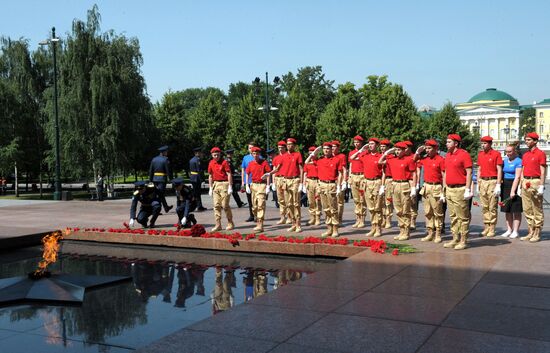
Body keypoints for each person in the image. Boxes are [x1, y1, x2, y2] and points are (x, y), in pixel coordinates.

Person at [379, 142, 417, 241]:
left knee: (405, 210)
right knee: (398, 210)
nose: (397, 151)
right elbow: (380, 162)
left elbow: (414, 174)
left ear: (404, 150)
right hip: (394, 184)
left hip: (404, 185)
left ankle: (406, 231)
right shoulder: (392, 160)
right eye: (395, 149)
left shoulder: (409, 160)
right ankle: (401, 230)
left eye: (399, 150)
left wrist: (413, 188)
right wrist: (387, 152)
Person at [306, 142, 344, 237]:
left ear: (331, 149)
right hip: (322, 185)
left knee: (333, 209)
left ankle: (335, 229)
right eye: (324, 149)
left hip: (331, 185)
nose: (326, 150)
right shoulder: (320, 160)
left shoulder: (336, 159)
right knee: (326, 208)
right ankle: (329, 229)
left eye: (328, 148)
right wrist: (314, 152)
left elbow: (340, 173)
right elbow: (306, 162)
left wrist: (339, 186)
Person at [443, 134, 473, 250]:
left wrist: (467, 189)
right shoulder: (448, 155)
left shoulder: (464, 155)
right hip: (450, 189)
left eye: (449, 142)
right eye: (447, 141)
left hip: (460, 189)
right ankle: (455, 238)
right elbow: (446, 173)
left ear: (456, 143)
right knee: (453, 216)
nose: (446, 144)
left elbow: (469, 173)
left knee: (462, 217)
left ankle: (463, 240)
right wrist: (444, 189)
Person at [351, 137, 384, 237]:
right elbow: (352, 158)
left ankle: (378, 229)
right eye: (369, 144)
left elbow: (383, 172)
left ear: (377, 145)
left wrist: (382, 185)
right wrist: (361, 150)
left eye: (372, 144)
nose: (370, 145)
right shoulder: (365, 155)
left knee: (377, 207)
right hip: (367, 182)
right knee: (371, 207)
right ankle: (373, 228)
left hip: (377, 182)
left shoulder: (380, 156)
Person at [415, 140, 446, 243]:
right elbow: (413, 161)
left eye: (429, 148)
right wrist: (417, 152)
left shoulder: (440, 159)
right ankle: (430, 233)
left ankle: (438, 233)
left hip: (436, 187)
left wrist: (443, 191)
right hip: (426, 186)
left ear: (435, 149)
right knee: (428, 212)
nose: (427, 150)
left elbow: (443, 175)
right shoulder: (425, 158)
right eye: (426, 148)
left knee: (438, 213)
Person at [519, 132, 546, 242]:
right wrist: (521, 183)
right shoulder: (525, 154)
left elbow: (543, 171)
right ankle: (531, 231)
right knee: (527, 208)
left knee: (537, 208)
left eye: (529, 140)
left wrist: (541, 185)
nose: (526, 141)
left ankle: (537, 232)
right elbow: (523, 169)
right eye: (526, 140)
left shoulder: (540, 154)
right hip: (526, 180)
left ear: (535, 141)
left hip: (535, 180)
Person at [477, 136, 503, 237]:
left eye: (485, 143)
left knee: (492, 206)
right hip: (483, 181)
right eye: (482, 143)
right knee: (484, 206)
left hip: (492, 181)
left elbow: (499, 169)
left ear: (490, 144)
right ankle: (486, 226)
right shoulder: (480, 154)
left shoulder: (496, 154)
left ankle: (492, 227)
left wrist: (498, 184)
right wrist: (478, 183)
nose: (483, 145)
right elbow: (479, 169)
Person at [245, 146, 272, 232]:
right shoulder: (251, 163)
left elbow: (268, 174)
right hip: (253, 185)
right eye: (254, 153)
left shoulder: (264, 162)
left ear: (259, 154)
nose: (256, 155)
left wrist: (268, 186)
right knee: (254, 206)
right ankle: (257, 220)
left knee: (261, 205)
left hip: (261, 185)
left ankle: (260, 224)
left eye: (257, 153)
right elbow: (247, 173)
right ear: (252, 154)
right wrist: (246, 185)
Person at [208, 147, 234, 231]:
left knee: (225, 205)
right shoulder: (211, 163)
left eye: (218, 155)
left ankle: (230, 222)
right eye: (214, 155)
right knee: (216, 205)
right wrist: (210, 188)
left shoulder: (224, 162)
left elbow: (229, 173)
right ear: (212, 155)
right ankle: (218, 224)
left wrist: (230, 186)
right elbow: (210, 176)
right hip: (216, 184)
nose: (216, 156)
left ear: (220, 154)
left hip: (224, 184)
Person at [281, 138, 304, 233]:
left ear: (294, 145)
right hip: (286, 180)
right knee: (288, 204)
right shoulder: (284, 156)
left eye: (291, 144)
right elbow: (279, 168)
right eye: (287, 144)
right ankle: (293, 223)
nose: (289, 146)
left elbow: (301, 169)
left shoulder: (298, 154)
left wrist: (301, 183)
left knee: (296, 203)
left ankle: (298, 224)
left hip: (295, 180)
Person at [500, 144, 523, 238]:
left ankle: (515, 231)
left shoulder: (519, 161)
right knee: (507, 209)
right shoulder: (504, 161)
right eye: (506, 151)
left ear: (515, 151)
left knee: (516, 209)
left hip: (515, 184)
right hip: (505, 185)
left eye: (510, 151)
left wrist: (513, 190)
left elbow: (517, 177)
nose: (508, 153)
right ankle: (509, 229)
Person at [348, 135, 366, 228]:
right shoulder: (351, 152)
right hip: (354, 176)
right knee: (356, 200)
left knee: (362, 200)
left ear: (361, 143)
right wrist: (349, 177)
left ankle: (362, 220)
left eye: (358, 142)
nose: (356, 143)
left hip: (362, 176)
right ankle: (357, 219)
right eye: (355, 142)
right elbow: (351, 163)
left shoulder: (365, 152)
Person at [149, 145, 173, 213]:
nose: (167, 153)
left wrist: (150, 180)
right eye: (166, 152)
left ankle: (165, 207)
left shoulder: (154, 159)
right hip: (162, 179)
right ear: (163, 152)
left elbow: (151, 171)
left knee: (158, 194)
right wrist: (170, 179)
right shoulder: (165, 159)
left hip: (154, 179)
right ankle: (158, 209)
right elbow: (168, 170)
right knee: (160, 194)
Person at [303, 146, 322, 226]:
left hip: (317, 181)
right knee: (310, 201)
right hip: (309, 181)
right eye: (310, 153)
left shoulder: (319, 161)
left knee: (318, 200)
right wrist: (303, 184)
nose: (312, 155)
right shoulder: (308, 162)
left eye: (313, 153)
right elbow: (305, 173)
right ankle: (312, 217)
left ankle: (317, 218)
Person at [241, 142, 258, 222]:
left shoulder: (259, 157)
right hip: (248, 181)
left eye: (252, 147)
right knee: (249, 200)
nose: (251, 149)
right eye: (249, 148)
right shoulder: (245, 158)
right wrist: (243, 182)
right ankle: (251, 215)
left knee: (256, 200)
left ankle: (257, 215)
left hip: (256, 182)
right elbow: (243, 170)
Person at [379, 140, 394, 228]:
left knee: (388, 201)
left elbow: (385, 170)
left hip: (390, 179)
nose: (382, 148)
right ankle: (383, 219)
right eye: (381, 146)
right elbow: (383, 172)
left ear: (388, 148)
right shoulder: (379, 156)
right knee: (382, 202)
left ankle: (388, 220)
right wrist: (382, 184)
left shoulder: (391, 157)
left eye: (384, 147)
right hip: (381, 180)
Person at [273, 141, 289, 223]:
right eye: (279, 148)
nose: (280, 149)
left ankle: (289, 216)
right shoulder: (276, 157)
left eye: (282, 147)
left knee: (287, 198)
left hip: (285, 178)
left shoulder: (288, 156)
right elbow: (274, 169)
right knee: (280, 199)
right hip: (277, 178)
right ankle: (282, 217)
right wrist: (273, 182)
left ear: (285, 148)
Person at [332, 140, 348, 223]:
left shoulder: (341, 156)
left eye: (334, 147)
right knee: (331, 201)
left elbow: (344, 169)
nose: (333, 148)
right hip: (331, 181)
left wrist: (344, 181)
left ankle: (339, 218)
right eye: (332, 146)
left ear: (338, 148)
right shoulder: (329, 156)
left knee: (339, 201)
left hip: (339, 180)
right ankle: (333, 218)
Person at [189, 147, 207, 211]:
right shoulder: (198, 160)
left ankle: (197, 206)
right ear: (197, 153)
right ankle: (198, 206)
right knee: (197, 193)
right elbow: (199, 171)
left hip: (192, 177)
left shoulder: (191, 160)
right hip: (196, 178)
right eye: (200, 152)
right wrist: (202, 179)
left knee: (195, 193)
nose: (201, 154)